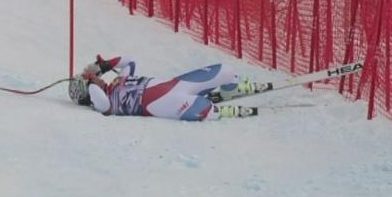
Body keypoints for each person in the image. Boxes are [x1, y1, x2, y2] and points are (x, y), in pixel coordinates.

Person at [68, 55, 259, 121]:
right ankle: (216, 109)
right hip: (165, 104)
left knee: (226, 71)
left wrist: (103, 66)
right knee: (204, 107)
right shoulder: (104, 104)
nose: (98, 78)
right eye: (92, 79)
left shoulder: (117, 83)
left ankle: (228, 90)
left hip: (174, 84)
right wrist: (88, 83)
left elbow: (129, 60)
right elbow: (97, 98)